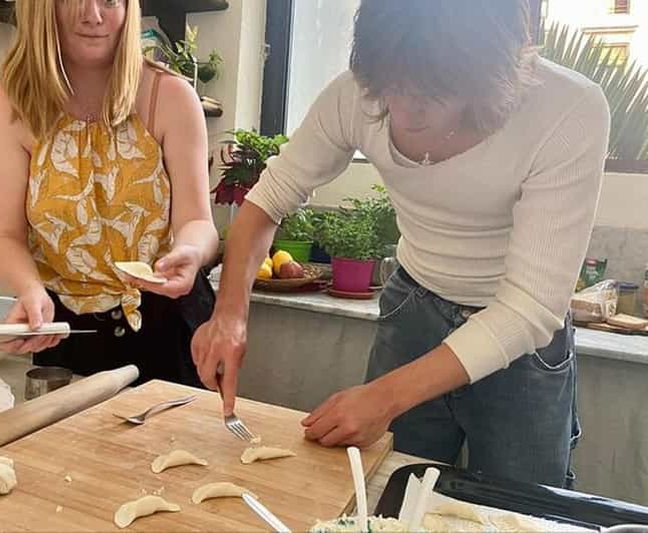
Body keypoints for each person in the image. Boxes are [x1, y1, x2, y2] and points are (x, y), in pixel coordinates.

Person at [192, 0, 610, 488]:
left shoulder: (568, 109)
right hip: (414, 311)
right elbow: (268, 199)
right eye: (391, 86)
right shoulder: (357, 93)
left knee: (521, 505)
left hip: (522, 341)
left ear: (492, 74)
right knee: (386, 489)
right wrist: (229, 315)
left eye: (432, 94)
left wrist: (385, 397)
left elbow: (530, 307)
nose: (404, 111)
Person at [0, 0, 218, 386]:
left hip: (168, 327)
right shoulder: (12, 104)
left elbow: (197, 222)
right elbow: (3, 236)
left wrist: (189, 252)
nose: (93, 15)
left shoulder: (170, 96)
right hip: (66, 331)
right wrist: (29, 289)